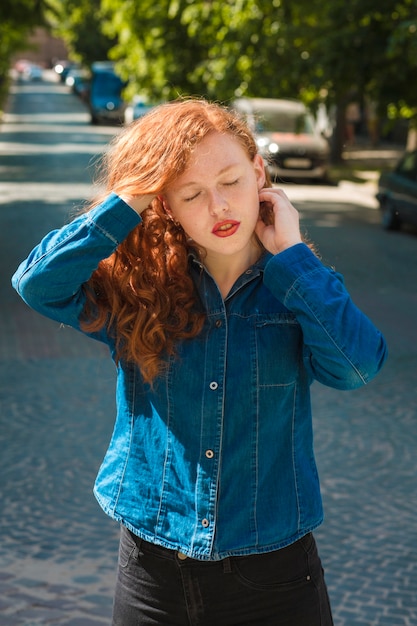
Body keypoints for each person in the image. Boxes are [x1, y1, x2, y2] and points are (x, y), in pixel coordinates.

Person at [12, 98, 387, 626]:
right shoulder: (141, 288)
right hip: (152, 573)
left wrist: (293, 255)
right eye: (191, 193)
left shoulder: (300, 286)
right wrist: (130, 197)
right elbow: (38, 284)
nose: (220, 207)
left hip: (274, 574)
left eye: (232, 182)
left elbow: (356, 368)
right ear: (164, 205)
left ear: (259, 171)